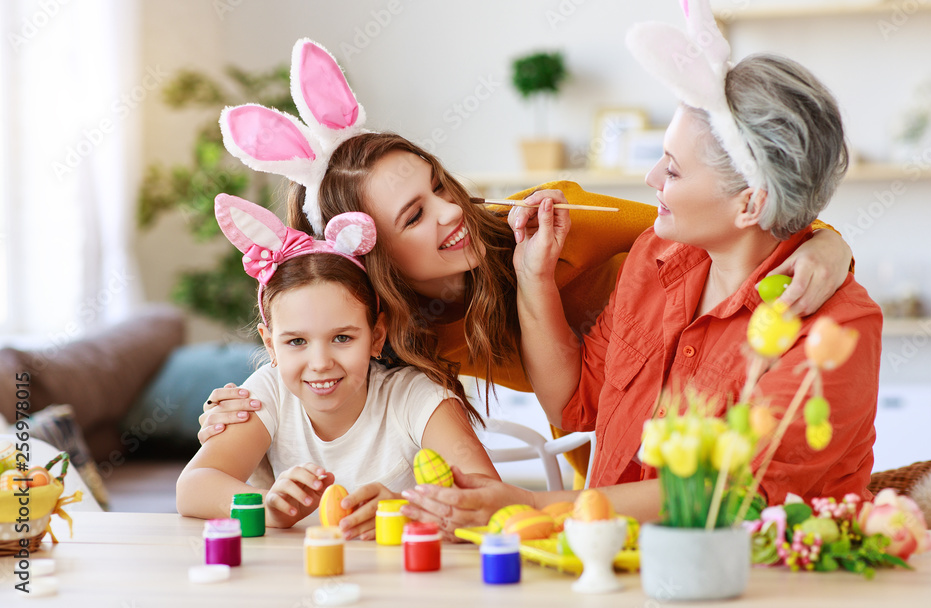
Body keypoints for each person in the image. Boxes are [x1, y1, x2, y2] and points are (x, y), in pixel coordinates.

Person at [197, 39, 853, 482]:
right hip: (603, 427)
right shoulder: (394, 338)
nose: (453, 212)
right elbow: (314, 381)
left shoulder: (544, 224)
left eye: (439, 186)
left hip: (708, 372)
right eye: (416, 217)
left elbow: (711, 214)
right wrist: (237, 411)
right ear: (373, 263)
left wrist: (827, 238)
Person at [397, 25, 882, 531]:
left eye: (672, 170)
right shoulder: (655, 257)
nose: (652, 180)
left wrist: (538, 506)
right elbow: (574, 403)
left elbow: (738, 493)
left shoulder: (839, 327)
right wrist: (533, 275)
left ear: (750, 203)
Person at [176, 194, 498, 535]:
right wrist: (266, 506)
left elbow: (490, 498)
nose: (320, 364)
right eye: (296, 342)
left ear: (376, 336)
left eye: (342, 338)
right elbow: (192, 488)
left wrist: (404, 511)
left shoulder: (415, 398)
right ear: (270, 344)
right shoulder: (266, 392)